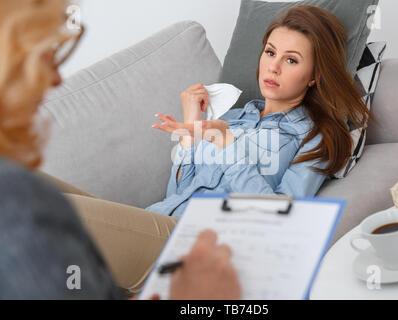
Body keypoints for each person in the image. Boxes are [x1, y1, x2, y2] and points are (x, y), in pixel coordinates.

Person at [0, 0, 240, 299]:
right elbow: (181, 182)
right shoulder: (20, 206)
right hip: (181, 233)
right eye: (45, 55)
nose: (57, 79)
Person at [148, 5, 373, 218]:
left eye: (291, 60)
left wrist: (228, 146)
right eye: (270, 52)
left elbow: (280, 215)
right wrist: (192, 125)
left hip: (203, 235)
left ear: (315, 75)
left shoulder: (315, 138)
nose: (273, 67)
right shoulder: (232, 118)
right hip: (159, 219)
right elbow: (176, 196)